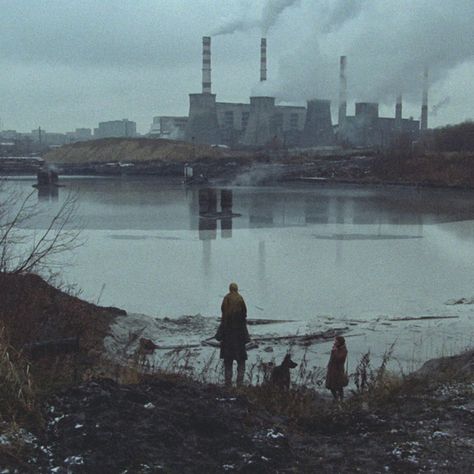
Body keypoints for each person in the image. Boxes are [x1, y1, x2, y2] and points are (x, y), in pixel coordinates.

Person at [215, 282, 250, 387]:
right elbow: (245, 314)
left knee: (228, 362)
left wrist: (219, 335)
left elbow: (223, 315)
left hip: (227, 338)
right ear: (237, 289)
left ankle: (228, 384)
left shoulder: (226, 299)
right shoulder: (240, 298)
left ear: (230, 289)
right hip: (239, 337)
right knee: (241, 362)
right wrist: (246, 337)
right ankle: (240, 384)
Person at [325, 335, 348, 401]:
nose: (334, 343)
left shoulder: (344, 350)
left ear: (339, 342)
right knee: (331, 386)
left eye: (336, 341)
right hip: (332, 369)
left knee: (339, 386)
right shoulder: (336, 349)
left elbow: (339, 358)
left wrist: (334, 351)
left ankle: (341, 399)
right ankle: (336, 398)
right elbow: (332, 359)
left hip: (338, 370)